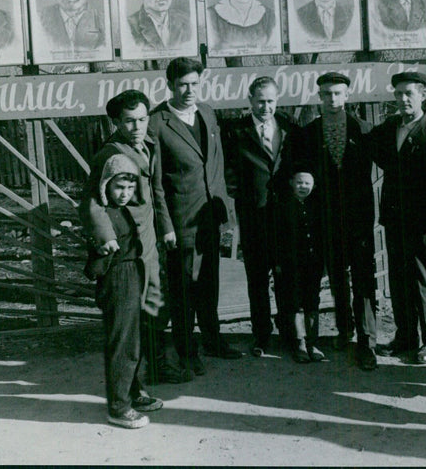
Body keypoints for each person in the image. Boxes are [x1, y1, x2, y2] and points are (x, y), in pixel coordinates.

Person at [80, 90, 181, 386]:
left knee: (155, 306)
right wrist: (106, 237)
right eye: (129, 122)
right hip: (126, 247)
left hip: (149, 243)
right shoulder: (110, 154)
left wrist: (167, 227)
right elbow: (89, 201)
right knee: (131, 317)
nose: (137, 127)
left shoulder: (149, 143)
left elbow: (156, 191)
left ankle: (158, 366)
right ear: (115, 123)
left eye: (142, 119)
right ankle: (132, 384)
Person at [150, 57, 243, 372]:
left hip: (209, 218)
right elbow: (155, 183)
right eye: (183, 85)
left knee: (209, 284)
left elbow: (214, 164)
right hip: (181, 222)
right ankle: (187, 351)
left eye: (194, 84)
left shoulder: (207, 112)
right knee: (184, 291)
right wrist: (166, 226)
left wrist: (224, 210)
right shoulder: (157, 123)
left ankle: (213, 340)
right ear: (170, 85)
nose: (189, 91)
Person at [289, 72, 378, 371]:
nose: (332, 99)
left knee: (364, 278)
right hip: (325, 218)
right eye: (326, 94)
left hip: (359, 218)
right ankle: (345, 330)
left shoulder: (365, 130)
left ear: (348, 96)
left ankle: (367, 340)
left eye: (338, 93)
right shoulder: (308, 133)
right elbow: (300, 173)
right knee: (338, 276)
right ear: (319, 97)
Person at [368, 71, 426, 364]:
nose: (403, 99)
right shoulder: (389, 127)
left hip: (424, 219)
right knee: (398, 279)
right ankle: (406, 336)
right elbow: (373, 151)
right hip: (394, 216)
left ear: (423, 94)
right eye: (398, 93)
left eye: (409, 93)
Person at [82, 153, 163, 429]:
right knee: (123, 344)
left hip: (133, 275)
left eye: (130, 187)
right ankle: (118, 407)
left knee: (135, 339)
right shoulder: (102, 214)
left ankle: (133, 391)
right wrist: (102, 248)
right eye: (119, 187)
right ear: (106, 184)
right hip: (118, 278)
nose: (125, 193)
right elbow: (95, 255)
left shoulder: (123, 209)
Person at [223, 76, 298, 356]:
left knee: (286, 276)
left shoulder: (290, 127)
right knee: (257, 277)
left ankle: (290, 332)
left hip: (284, 214)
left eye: (270, 101)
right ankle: (262, 334)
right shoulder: (235, 132)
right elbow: (229, 170)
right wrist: (238, 200)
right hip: (253, 216)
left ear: (277, 100)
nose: (265, 107)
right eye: (260, 101)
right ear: (250, 101)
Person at [274, 167, 326, 364]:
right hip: (291, 264)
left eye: (307, 183)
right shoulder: (283, 206)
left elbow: (322, 236)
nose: (303, 186)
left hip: (313, 263)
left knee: (312, 300)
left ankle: (313, 342)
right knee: (294, 301)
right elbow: (277, 238)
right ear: (291, 183)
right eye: (299, 182)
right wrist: (278, 262)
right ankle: (299, 343)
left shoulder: (318, 206)